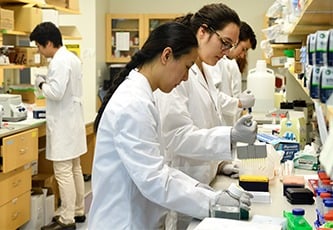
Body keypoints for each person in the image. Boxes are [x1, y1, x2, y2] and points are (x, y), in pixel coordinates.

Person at [88, 22, 252, 230]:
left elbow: (160, 168)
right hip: (123, 222)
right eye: (185, 68)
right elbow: (154, 179)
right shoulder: (133, 103)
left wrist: (211, 195)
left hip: (139, 218)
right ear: (166, 56)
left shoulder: (143, 97)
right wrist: (211, 202)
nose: (185, 78)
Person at [154, 4, 257, 229]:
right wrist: (228, 136)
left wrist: (220, 164)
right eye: (224, 43)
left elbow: (209, 115)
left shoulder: (206, 70)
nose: (227, 51)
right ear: (203, 31)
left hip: (205, 181)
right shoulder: (179, 72)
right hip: (185, 185)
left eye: (231, 46)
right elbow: (175, 135)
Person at [30, 22, 87, 230]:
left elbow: (56, 92)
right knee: (74, 168)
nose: (38, 50)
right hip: (71, 120)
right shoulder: (71, 57)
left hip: (64, 123)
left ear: (49, 43)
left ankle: (66, 218)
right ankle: (78, 211)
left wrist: (40, 83)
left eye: (39, 46)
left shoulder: (59, 62)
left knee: (63, 171)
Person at [204, 21, 257, 126]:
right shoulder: (215, 61)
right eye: (243, 49)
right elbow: (212, 96)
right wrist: (238, 103)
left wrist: (240, 100)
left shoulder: (230, 62)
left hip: (228, 126)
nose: (243, 55)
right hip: (218, 126)